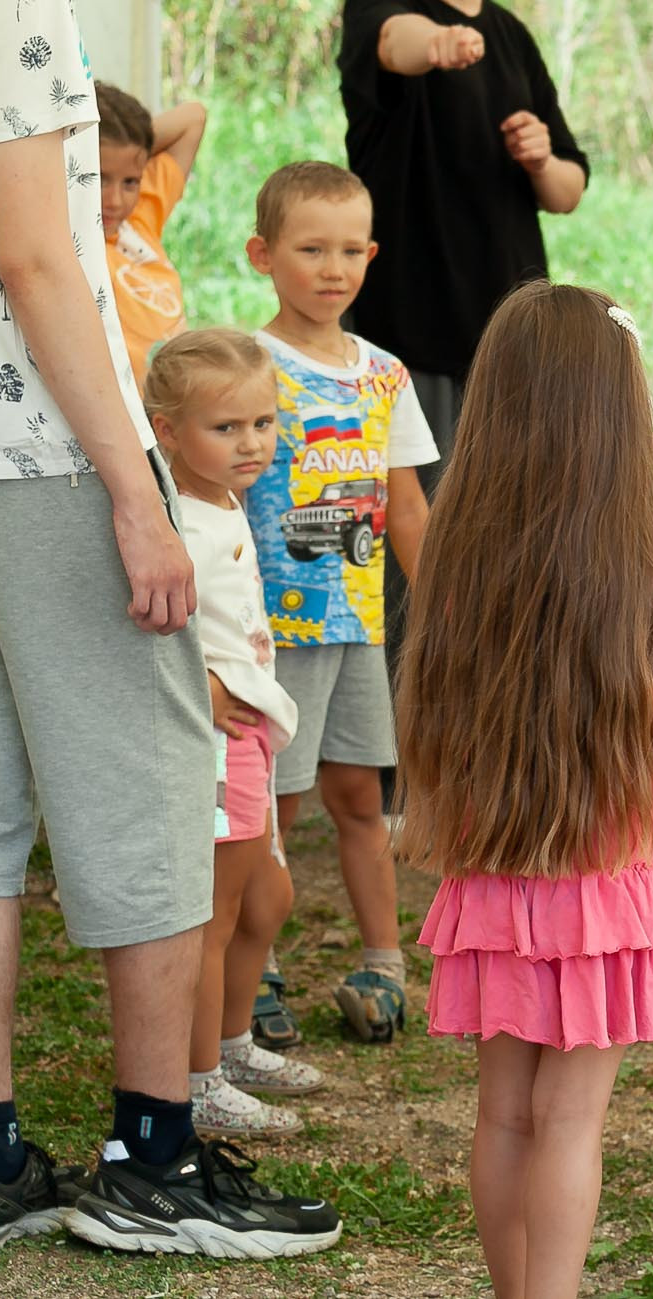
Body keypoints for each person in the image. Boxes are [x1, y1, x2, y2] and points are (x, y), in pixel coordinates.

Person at [0, 0, 335, 1263]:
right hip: (33, 431)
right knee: (158, 788)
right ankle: (153, 1157)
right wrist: (133, 479)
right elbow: (40, 254)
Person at [397, 281, 653, 1299]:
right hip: (608, 890)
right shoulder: (651, 572)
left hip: (492, 878)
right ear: (622, 417)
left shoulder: (456, 560)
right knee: (572, 1120)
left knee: (502, 1113)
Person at [244, 162, 437, 1041]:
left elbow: (403, 506)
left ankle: (383, 961)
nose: (333, 267)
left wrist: (441, 604)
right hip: (265, 638)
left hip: (359, 626)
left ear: (373, 255)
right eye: (311, 247)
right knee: (270, 810)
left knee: (362, 794)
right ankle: (256, 969)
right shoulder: (247, 367)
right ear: (263, 254)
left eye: (351, 249)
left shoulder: (384, 375)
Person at [337, 0, 588, 470]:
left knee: (504, 526)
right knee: (414, 533)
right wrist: (439, 43)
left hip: (510, 330)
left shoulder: (512, 36)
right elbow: (396, 42)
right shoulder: (379, 0)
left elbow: (568, 192)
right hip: (405, 323)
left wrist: (541, 158)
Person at [144, 331, 330, 1139]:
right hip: (217, 743)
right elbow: (141, 619)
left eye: (263, 422)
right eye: (226, 428)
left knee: (271, 896)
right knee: (214, 916)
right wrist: (200, 684)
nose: (251, 442)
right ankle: (199, 1079)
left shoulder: (226, 499)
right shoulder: (169, 518)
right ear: (167, 430)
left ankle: (233, 1039)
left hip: (256, 729)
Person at [95, 83, 206, 388]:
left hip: (181, 405)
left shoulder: (141, 217)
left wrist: (134, 142)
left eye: (130, 181)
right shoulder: (72, 242)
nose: (115, 201)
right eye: (98, 178)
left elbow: (193, 117)